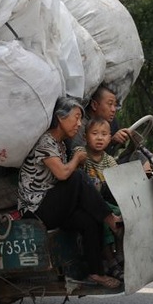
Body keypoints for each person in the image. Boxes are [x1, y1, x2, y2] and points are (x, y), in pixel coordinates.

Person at [16, 96, 122, 289]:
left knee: (90, 220)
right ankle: (111, 220)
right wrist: (76, 161)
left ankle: (96, 273)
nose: (79, 123)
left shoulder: (61, 144)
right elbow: (63, 173)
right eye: (76, 117)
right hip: (36, 209)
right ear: (60, 118)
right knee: (76, 177)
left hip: (53, 204)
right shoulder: (45, 142)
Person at [73, 116, 125, 280]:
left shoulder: (109, 161)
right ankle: (110, 261)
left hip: (105, 201)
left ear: (110, 138)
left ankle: (121, 255)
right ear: (85, 137)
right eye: (95, 133)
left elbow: (118, 181)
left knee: (124, 214)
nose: (99, 137)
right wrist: (78, 158)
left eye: (104, 134)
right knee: (103, 220)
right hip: (89, 204)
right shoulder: (83, 156)